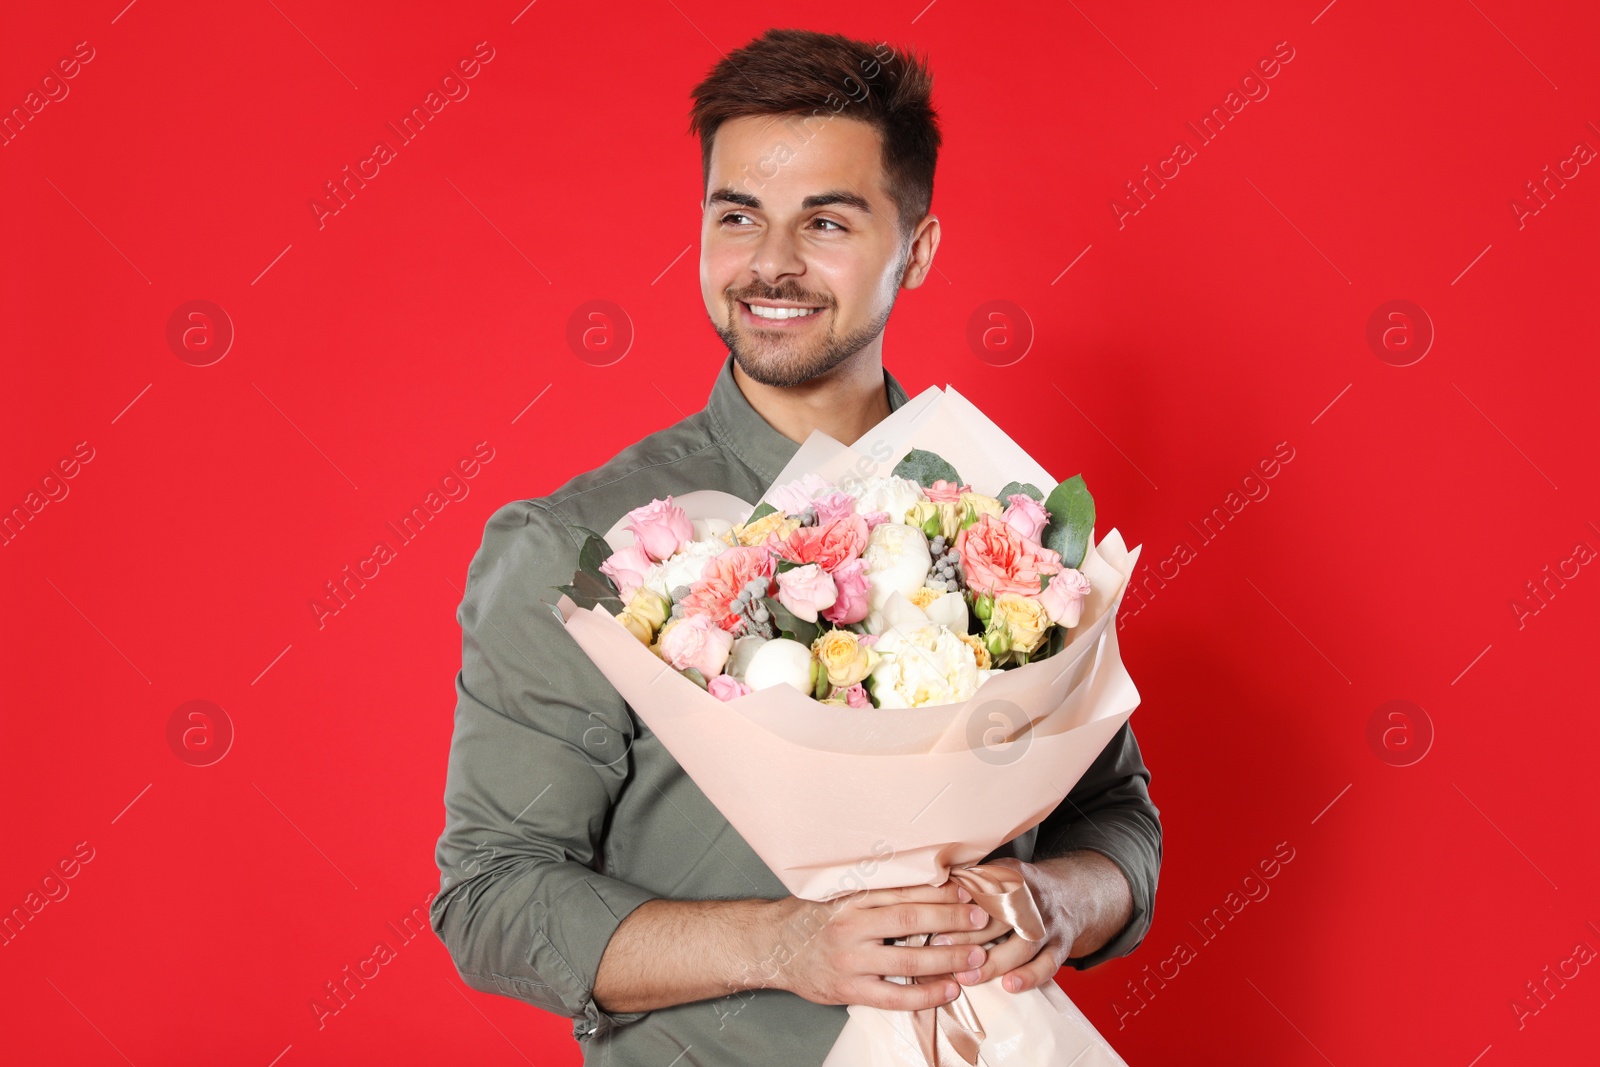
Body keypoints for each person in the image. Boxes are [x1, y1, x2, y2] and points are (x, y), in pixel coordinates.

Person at [429, 27, 1161, 1066]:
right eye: (738, 217)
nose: (770, 263)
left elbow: (1118, 818)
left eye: (825, 220)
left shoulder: (1017, 529)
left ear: (919, 247)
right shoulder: (575, 550)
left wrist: (1053, 896)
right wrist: (785, 945)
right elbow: (493, 895)